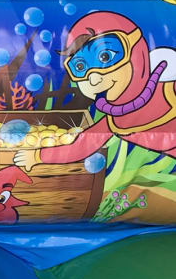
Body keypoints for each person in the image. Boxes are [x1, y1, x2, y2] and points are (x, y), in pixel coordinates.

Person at [14, 11, 176, 171]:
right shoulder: (114, 122)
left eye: (106, 57)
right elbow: (81, 146)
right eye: (79, 67)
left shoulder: (170, 91)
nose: (94, 79)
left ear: (135, 48)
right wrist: (37, 157)